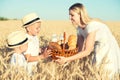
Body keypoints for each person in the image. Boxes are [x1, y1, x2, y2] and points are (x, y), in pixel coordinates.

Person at [56, 3, 120, 78]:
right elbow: (80, 50)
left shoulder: (91, 26)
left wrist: (67, 59)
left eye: (72, 15)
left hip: (108, 48)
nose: (70, 18)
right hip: (98, 48)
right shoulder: (79, 29)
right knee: (96, 71)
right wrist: (67, 60)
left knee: (106, 72)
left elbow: (87, 51)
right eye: (69, 15)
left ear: (80, 15)